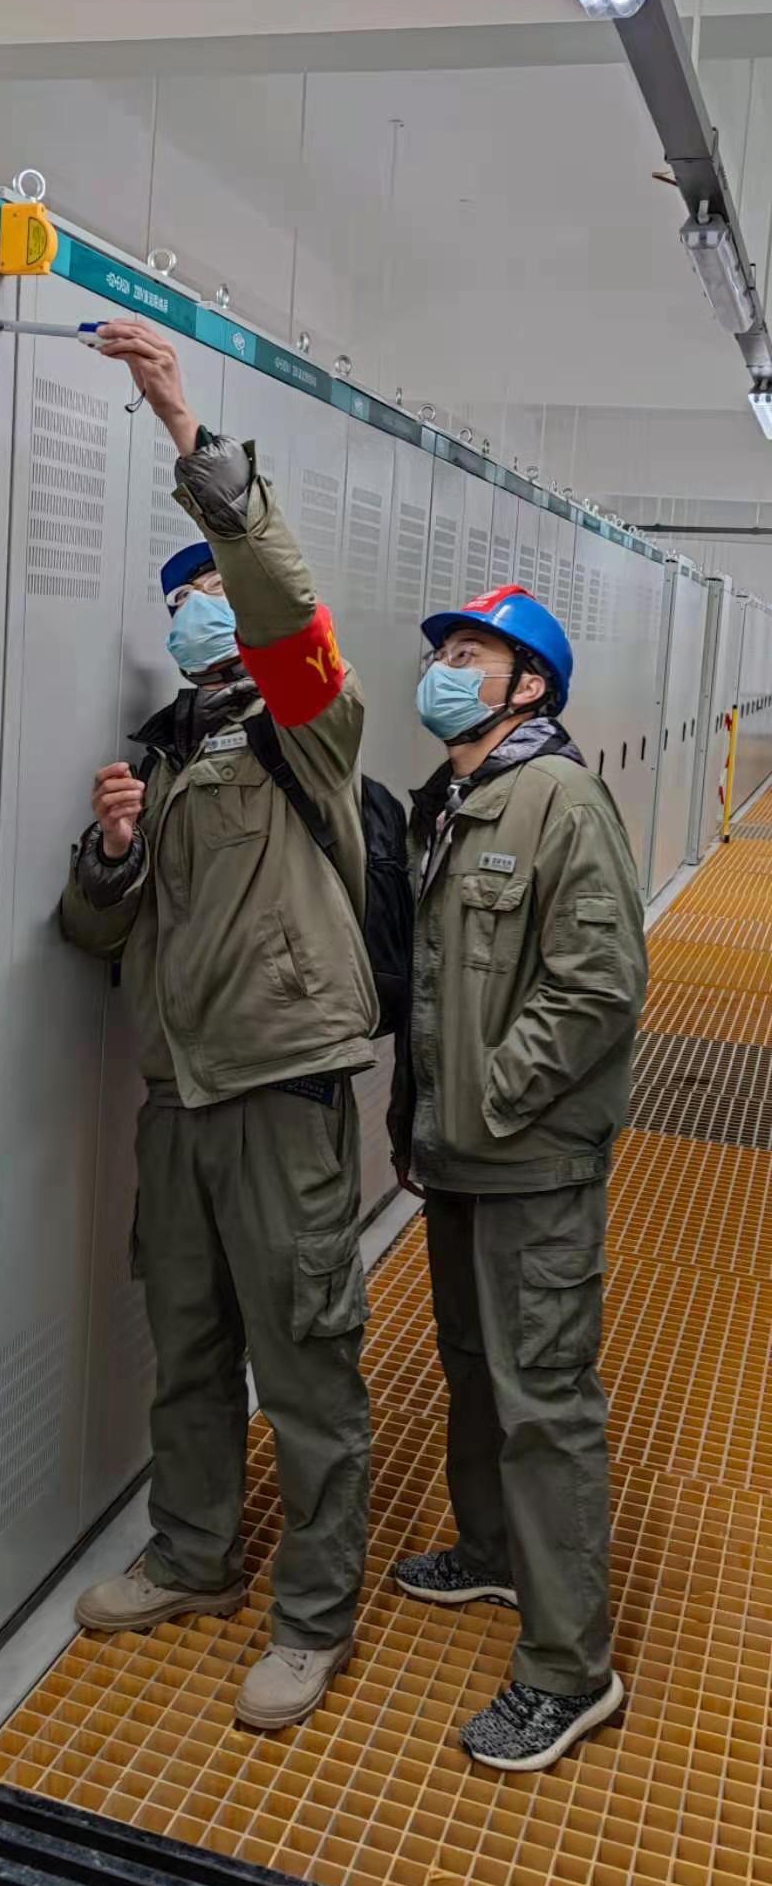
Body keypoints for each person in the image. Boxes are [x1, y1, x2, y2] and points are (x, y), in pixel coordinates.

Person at [61, 319, 378, 1731]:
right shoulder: (158, 753)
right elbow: (93, 936)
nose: (199, 607)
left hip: (281, 1090)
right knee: (188, 1346)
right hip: (179, 1100)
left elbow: (281, 596)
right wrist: (113, 855)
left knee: (304, 1360)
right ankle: (194, 1554)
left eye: (211, 589)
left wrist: (184, 428)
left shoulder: (309, 720)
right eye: (180, 594)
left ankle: (313, 1614)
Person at [388, 584, 647, 1772]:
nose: (444, 667)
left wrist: (488, 1097)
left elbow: (598, 987)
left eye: (469, 651)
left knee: (544, 1398)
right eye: (443, 649)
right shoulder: (458, 799)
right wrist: (431, 1119)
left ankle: (568, 1668)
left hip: (530, 1157)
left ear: (529, 682)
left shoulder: (561, 800)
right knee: (475, 1365)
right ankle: (492, 1550)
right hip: (461, 1154)